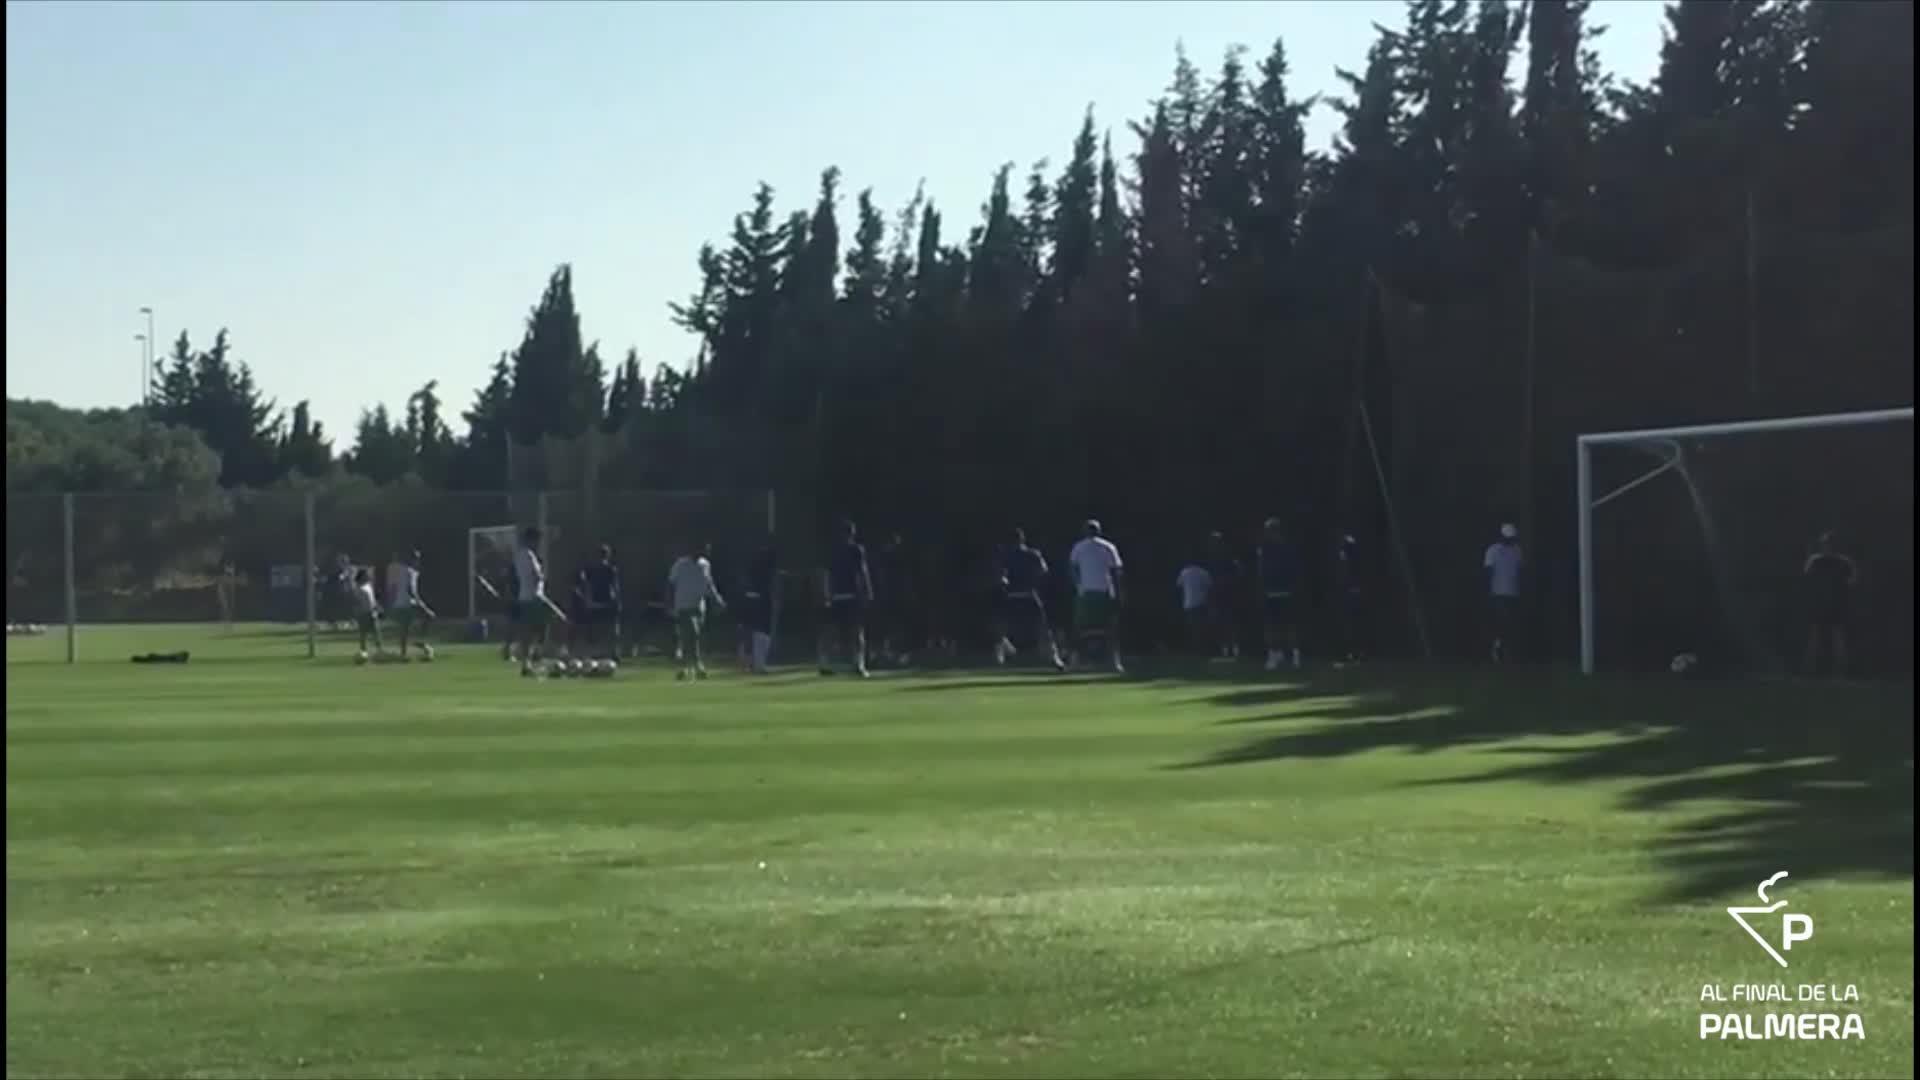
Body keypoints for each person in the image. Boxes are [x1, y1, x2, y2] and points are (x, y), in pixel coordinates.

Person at [994, 528, 1067, 671]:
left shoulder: (1005, 555)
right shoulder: (1033, 554)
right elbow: (1043, 571)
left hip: (1012, 596)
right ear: (1023, 540)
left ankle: (1002, 653)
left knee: (1003, 626)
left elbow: (1000, 576)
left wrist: (1006, 582)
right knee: (1043, 629)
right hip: (1029, 594)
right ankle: (1054, 658)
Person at [1067, 519, 1126, 674]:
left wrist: (1078, 586)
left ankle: (1076, 660)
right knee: (1109, 627)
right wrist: (1119, 592)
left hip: (1088, 592)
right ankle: (1113, 661)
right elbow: (1116, 572)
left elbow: (1073, 569)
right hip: (1103, 591)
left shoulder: (1079, 547)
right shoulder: (1108, 547)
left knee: (1081, 626)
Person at [819, 520, 874, 678]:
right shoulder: (847, 551)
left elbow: (861, 571)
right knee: (840, 631)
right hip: (843, 596)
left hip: (848, 595)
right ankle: (829, 663)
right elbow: (862, 572)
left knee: (850, 630)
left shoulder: (853, 550)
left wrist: (826, 594)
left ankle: (857, 663)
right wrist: (868, 590)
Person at [1802, 530, 1858, 678]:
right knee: (1817, 636)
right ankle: (1812, 669)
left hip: (1833, 603)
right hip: (1823, 603)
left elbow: (1852, 581)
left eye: (1826, 544)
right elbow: (1852, 581)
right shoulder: (1820, 560)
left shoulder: (1840, 561)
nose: (1825, 547)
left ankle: (1837, 670)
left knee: (1834, 636)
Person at [667, 542, 726, 680]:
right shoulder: (680, 564)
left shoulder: (705, 565)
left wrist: (717, 600)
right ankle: (698, 666)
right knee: (692, 635)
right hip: (683, 606)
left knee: (693, 637)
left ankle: (686, 667)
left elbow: (709, 584)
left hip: (699, 606)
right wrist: (668, 603)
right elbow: (670, 583)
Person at [1257, 518, 1303, 671]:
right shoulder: (1267, 549)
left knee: (1286, 626)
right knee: (1273, 626)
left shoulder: (1284, 549)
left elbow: (1293, 571)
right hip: (1272, 592)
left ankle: (1293, 656)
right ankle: (1276, 655)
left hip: (1284, 592)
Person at [511, 526, 555, 675]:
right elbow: (537, 576)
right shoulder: (529, 555)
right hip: (534, 597)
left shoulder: (519, 555)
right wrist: (542, 576)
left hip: (524, 596)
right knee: (546, 624)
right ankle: (538, 654)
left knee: (529, 631)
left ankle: (528, 661)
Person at [1483, 522, 1524, 663]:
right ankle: (1497, 649)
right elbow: (1488, 571)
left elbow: (1519, 570)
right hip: (1498, 593)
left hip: (1513, 593)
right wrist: (1488, 591)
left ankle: (1507, 652)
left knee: (1511, 624)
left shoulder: (1517, 550)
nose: (1509, 540)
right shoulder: (1492, 550)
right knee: (1502, 622)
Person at [872, 533, 915, 668]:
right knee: (892, 625)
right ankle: (892, 653)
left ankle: (893, 653)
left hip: (893, 595)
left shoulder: (888, 556)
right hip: (892, 595)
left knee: (893, 625)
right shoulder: (890, 557)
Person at [385, 549, 436, 661]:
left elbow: (393, 587)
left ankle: (405, 652)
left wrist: (391, 601)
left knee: (405, 629)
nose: (417, 561)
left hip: (401, 603)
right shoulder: (410, 572)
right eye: (416, 559)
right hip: (407, 603)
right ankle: (418, 641)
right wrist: (421, 603)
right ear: (413, 560)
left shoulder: (402, 570)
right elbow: (410, 590)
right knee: (429, 616)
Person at [575, 544, 623, 661]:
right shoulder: (595, 570)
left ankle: (608, 652)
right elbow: (615, 587)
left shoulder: (608, 570)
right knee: (601, 628)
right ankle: (604, 652)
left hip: (602, 600)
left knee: (606, 628)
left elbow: (586, 585)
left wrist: (587, 600)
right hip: (602, 600)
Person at [741, 540, 779, 674]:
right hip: (761, 599)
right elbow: (772, 582)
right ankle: (758, 664)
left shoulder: (751, 563)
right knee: (761, 632)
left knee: (749, 631)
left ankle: (748, 662)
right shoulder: (768, 565)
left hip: (750, 597)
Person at [1206, 532, 1243, 660]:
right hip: (1216, 593)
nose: (1213, 544)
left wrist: (1230, 583)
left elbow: (1238, 571)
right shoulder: (1211, 558)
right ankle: (1225, 651)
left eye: (1215, 541)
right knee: (1219, 622)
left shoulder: (1228, 556)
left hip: (1228, 593)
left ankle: (1236, 650)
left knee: (1230, 622)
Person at [1332, 531, 1365, 663]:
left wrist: (1352, 588)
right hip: (1347, 591)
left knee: (1352, 624)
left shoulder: (1350, 555)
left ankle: (1356, 654)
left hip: (1351, 592)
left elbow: (1349, 573)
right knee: (1348, 624)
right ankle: (1351, 653)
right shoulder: (1345, 556)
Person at [1176, 556, 1215, 658]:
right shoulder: (1204, 572)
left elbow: (1179, 586)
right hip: (1201, 603)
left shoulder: (1184, 572)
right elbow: (1210, 587)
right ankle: (1203, 650)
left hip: (1188, 604)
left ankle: (1194, 650)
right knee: (1202, 628)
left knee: (1192, 628)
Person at [351, 567, 384, 660]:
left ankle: (379, 652)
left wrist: (377, 607)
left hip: (372, 612)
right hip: (363, 613)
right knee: (363, 634)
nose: (368, 576)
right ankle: (363, 652)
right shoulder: (358, 588)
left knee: (376, 633)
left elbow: (372, 599)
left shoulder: (368, 586)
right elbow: (356, 601)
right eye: (366, 575)